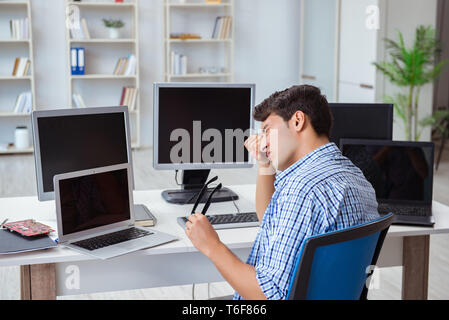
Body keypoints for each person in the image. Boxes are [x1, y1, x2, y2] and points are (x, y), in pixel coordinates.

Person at [184, 84, 380, 300]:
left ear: (297, 120)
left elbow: (268, 296)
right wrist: (264, 163)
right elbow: (269, 218)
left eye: (267, 129)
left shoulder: (302, 190)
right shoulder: (356, 177)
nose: (262, 141)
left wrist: (212, 246)